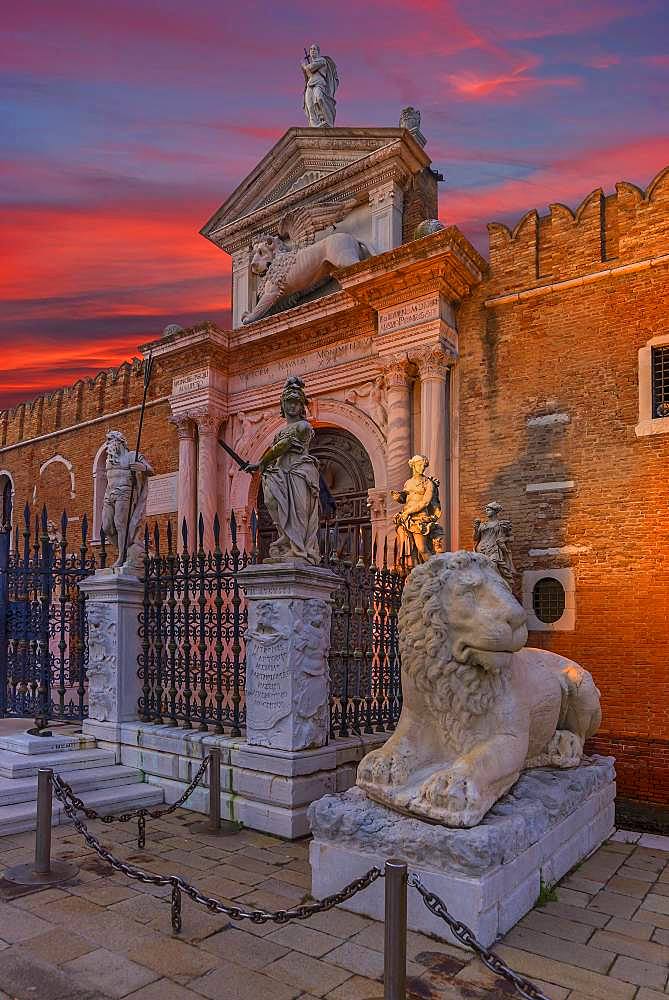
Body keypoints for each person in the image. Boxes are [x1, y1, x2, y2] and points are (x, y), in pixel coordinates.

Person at [246, 378, 320, 564]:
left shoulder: (303, 426)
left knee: (299, 511)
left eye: (297, 402)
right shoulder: (279, 431)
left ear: (302, 405)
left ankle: (299, 549)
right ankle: (286, 540)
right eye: (289, 402)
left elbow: (284, 446)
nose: (293, 406)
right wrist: (266, 466)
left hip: (299, 472)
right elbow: (279, 449)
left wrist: (261, 463)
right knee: (273, 502)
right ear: (283, 404)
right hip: (281, 473)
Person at [102, 430, 154, 571]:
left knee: (120, 524)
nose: (109, 445)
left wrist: (141, 467)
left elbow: (151, 470)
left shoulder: (133, 456)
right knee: (106, 527)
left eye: (111, 442)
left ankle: (122, 556)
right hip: (109, 495)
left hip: (124, 493)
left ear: (120, 442)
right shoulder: (109, 460)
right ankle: (124, 550)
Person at [391, 454, 443, 565]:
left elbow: (425, 502)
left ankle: (436, 571)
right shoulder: (408, 482)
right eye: (420, 465)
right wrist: (399, 497)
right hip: (406, 518)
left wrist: (408, 512)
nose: (422, 468)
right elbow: (407, 498)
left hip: (420, 518)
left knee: (422, 549)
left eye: (424, 466)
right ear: (413, 465)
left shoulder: (428, 483)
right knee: (409, 549)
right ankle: (415, 573)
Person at [473, 501, 515, 588]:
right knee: (481, 570)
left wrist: (503, 540)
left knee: (493, 566)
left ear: (495, 511)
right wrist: (476, 528)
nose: (486, 511)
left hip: (494, 549)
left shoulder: (501, 525)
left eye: (488, 510)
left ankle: (497, 587)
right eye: (486, 510)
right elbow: (475, 538)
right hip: (481, 549)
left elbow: (511, 538)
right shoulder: (482, 525)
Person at [302, 43, 338, 128]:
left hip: (319, 83)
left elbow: (311, 68)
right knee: (309, 105)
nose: (312, 51)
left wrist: (304, 66)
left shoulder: (322, 60)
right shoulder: (312, 63)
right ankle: (315, 125)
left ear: (318, 51)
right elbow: (307, 75)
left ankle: (326, 119)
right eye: (311, 49)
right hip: (310, 84)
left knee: (319, 98)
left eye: (314, 49)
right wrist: (306, 69)